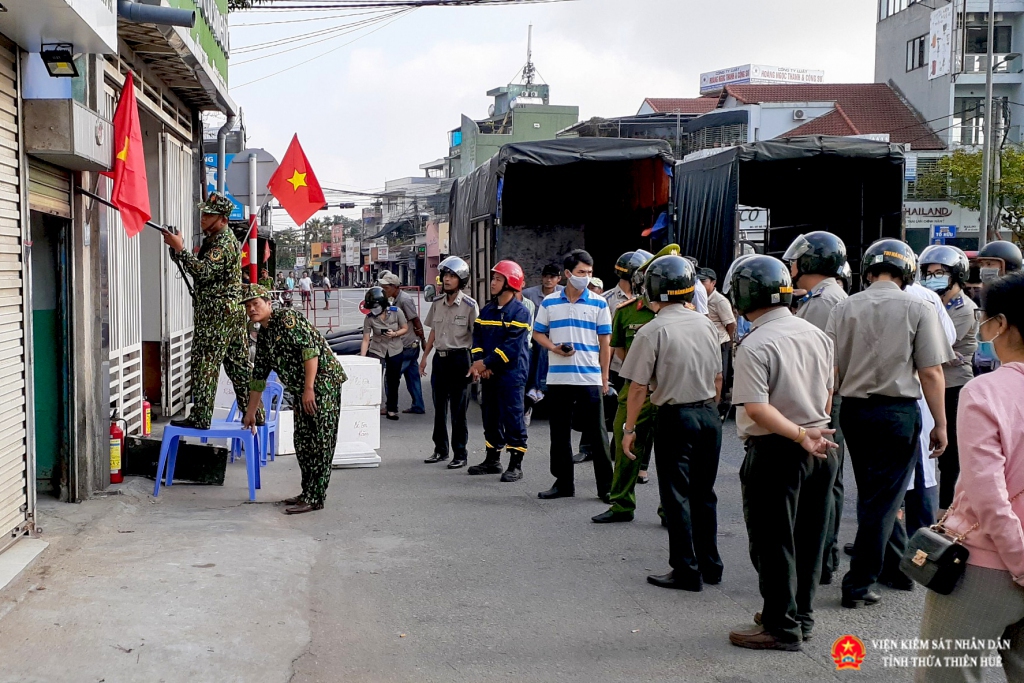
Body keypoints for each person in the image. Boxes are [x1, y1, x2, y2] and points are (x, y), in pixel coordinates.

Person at [826, 238, 953, 609]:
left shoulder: (844, 307)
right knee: (885, 499)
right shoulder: (919, 305)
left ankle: (897, 569)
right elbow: (930, 372)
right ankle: (859, 582)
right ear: (907, 272)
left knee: (875, 495)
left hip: (854, 410)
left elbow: (829, 370)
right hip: (898, 412)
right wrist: (941, 423)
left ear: (866, 272)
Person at [914, 271, 1024, 683]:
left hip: (987, 564)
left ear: (1001, 324)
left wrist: (1019, 560)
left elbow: (986, 491)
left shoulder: (986, 391)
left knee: (949, 674)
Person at [723, 256, 837, 651]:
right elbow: (827, 393)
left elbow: (756, 408)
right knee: (810, 538)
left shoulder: (755, 343)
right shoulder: (817, 334)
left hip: (778, 448)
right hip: (821, 445)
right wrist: (810, 430)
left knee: (773, 541)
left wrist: (798, 433)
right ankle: (799, 615)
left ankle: (780, 625)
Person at [620, 255, 724, 590]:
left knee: (677, 494)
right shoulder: (707, 324)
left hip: (676, 415)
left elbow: (637, 387)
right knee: (704, 493)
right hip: (709, 414)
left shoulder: (652, 331)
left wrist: (629, 429)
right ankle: (712, 564)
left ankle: (685, 569)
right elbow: (719, 377)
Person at [240, 285, 347, 514]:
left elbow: (310, 351)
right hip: (302, 389)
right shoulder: (265, 334)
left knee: (319, 442)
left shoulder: (287, 319)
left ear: (269, 303)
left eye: (255, 303)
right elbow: (258, 376)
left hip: (322, 384)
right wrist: (250, 411)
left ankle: (315, 497)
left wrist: (309, 389)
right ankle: (306, 491)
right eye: (248, 306)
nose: (251, 309)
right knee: (303, 441)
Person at [161, 192, 262, 429]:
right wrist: (177, 250)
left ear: (223, 219)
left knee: (205, 363)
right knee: (238, 367)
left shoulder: (223, 243)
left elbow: (203, 272)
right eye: (203, 213)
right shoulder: (215, 240)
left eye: (210, 215)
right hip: (228, 314)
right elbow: (198, 271)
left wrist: (181, 250)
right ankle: (256, 414)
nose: (203, 218)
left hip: (217, 315)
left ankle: (201, 416)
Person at [783, 231, 849, 586]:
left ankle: (822, 556)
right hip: (826, 395)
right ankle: (822, 555)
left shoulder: (824, 301)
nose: (793, 265)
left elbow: (816, 359)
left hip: (823, 398)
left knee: (825, 483)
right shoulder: (823, 296)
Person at [533, 249, 614, 501]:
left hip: (589, 378)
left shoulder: (599, 303)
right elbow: (537, 333)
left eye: (589, 272)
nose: (586, 277)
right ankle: (563, 484)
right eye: (581, 272)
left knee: (598, 436)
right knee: (559, 434)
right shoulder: (549, 303)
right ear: (567, 274)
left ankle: (606, 487)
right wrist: (554, 348)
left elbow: (605, 342)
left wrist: (604, 377)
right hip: (558, 378)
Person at [591, 247, 663, 523]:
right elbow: (617, 348)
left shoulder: (679, 310)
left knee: (669, 454)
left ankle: (669, 509)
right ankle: (621, 504)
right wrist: (639, 370)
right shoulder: (626, 311)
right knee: (624, 446)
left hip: (667, 391)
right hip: (634, 388)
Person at [919, 245, 978, 511]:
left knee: (950, 455)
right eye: (929, 273)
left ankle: (945, 512)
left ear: (956, 276)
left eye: (940, 273)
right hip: (931, 384)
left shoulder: (964, 309)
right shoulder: (931, 303)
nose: (933, 278)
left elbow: (937, 346)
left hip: (953, 385)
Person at [468, 260, 531, 482]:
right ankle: (492, 460)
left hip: (511, 375)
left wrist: (486, 364)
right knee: (490, 416)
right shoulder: (487, 310)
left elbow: (512, 347)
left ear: (510, 283)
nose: (492, 282)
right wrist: (479, 361)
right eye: (493, 278)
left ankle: (515, 464)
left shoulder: (520, 312)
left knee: (513, 417)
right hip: (489, 373)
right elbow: (477, 337)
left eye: (497, 279)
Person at [420, 257, 478, 469]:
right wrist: (425, 357)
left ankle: (460, 453)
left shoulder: (470, 305)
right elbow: (433, 332)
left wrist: (477, 363)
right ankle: (440, 450)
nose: (447, 279)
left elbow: (477, 336)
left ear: (461, 279)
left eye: (452, 276)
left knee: (458, 410)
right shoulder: (437, 303)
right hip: (441, 360)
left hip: (460, 360)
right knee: (439, 408)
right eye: (445, 275)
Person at [378, 271, 426, 415]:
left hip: (406, 346)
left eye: (386, 288)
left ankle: (390, 406)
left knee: (391, 376)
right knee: (412, 377)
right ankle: (418, 405)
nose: (383, 290)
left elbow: (416, 320)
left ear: (394, 287)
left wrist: (423, 339)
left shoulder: (404, 300)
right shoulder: (394, 299)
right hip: (409, 344)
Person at [359, 286, 408, 421]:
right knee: (374, 381)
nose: (373, 310)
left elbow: (405, 328)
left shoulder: (396, 312)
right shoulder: (369, 318)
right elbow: (366, 339)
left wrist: (395, 333)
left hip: (395, 350)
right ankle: (371, 407)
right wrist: (363, 359)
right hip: (377, 350)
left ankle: (392, 409)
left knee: (393, 381)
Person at [523, 264, 563, 419]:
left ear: (558, 279)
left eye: (552, 277)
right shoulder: (529, 294)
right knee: (539, 348)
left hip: (558, 335)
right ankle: (536, 387)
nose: (548, 280)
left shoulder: (563, 293)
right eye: (546, 276)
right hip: (537, 335)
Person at [699, 268, 737, 420]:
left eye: (704, 282)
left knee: (720, 376)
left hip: (720, 343)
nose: (700, 285)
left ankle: (719, 408)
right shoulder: (699, 298)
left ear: (713, 283)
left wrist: (728, 340)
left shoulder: (719, 300)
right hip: (705, 343)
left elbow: (731, 324)